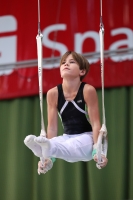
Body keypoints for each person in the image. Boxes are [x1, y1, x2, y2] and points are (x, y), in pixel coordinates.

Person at [24, 50, 108, 174]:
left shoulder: (87, 90)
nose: (66, 64)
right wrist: (48, 160)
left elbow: (96, 123)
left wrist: (98, 150)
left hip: (87, 140)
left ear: (82, 71)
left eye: (71, 62)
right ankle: (45, 152)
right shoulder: (53, 94)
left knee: (71, 145)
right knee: (55, 143)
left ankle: (44, 149)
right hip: (67, 138)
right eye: (63, 63)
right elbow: (52, 128)